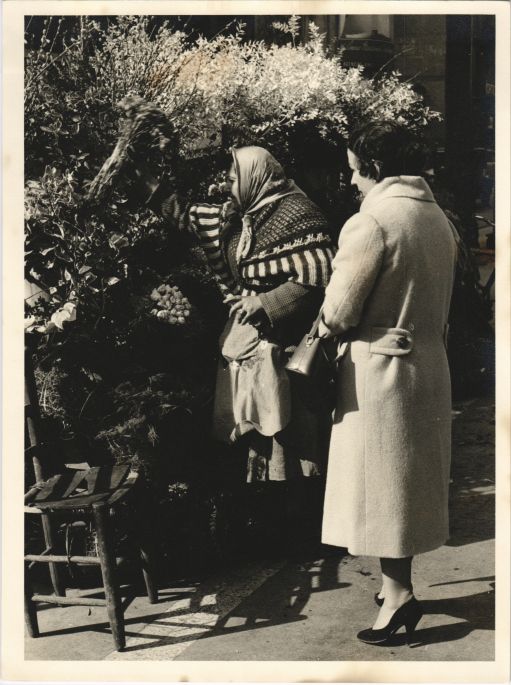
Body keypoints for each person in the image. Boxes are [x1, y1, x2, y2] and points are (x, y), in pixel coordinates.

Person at [143, 146, 335, 541]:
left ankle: (304, 530)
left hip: (286, 348)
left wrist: (266, 302)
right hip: (247, 345)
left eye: (232, 178)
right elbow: (188, 217)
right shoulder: (240, 214)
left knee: (291, 436)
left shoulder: (297, 213)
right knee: (255, 434)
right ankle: (269, 524)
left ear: (255, 176)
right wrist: (149, 183)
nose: (226, 185)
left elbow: (319, 276)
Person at [319, 121, 457, 645]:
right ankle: (395, 584)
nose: (352, 180)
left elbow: (338, 311)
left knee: (384, 486)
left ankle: (398, 596)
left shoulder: (372, 220)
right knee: (406, 482)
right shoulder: (435, 216)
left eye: (355, 169)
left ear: (373, 167)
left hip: (381, 370)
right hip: (428, 363)